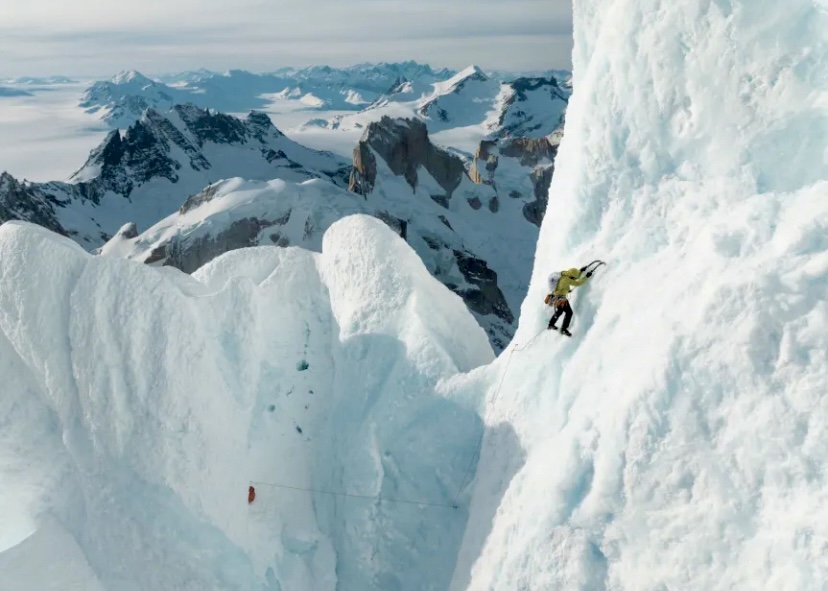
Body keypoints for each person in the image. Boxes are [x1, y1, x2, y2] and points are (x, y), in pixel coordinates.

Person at [546, 266, 593, 336]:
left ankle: (551, 324)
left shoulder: (563, 274)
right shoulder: (567, 280)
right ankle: (563, 329)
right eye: (573, 277)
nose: (574, 279)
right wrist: (586, 277)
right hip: (561, 299)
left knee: (559, 311)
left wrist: (580, 271)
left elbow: (563, 286)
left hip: (555, 298)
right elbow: (578, 283)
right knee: (569, 313)